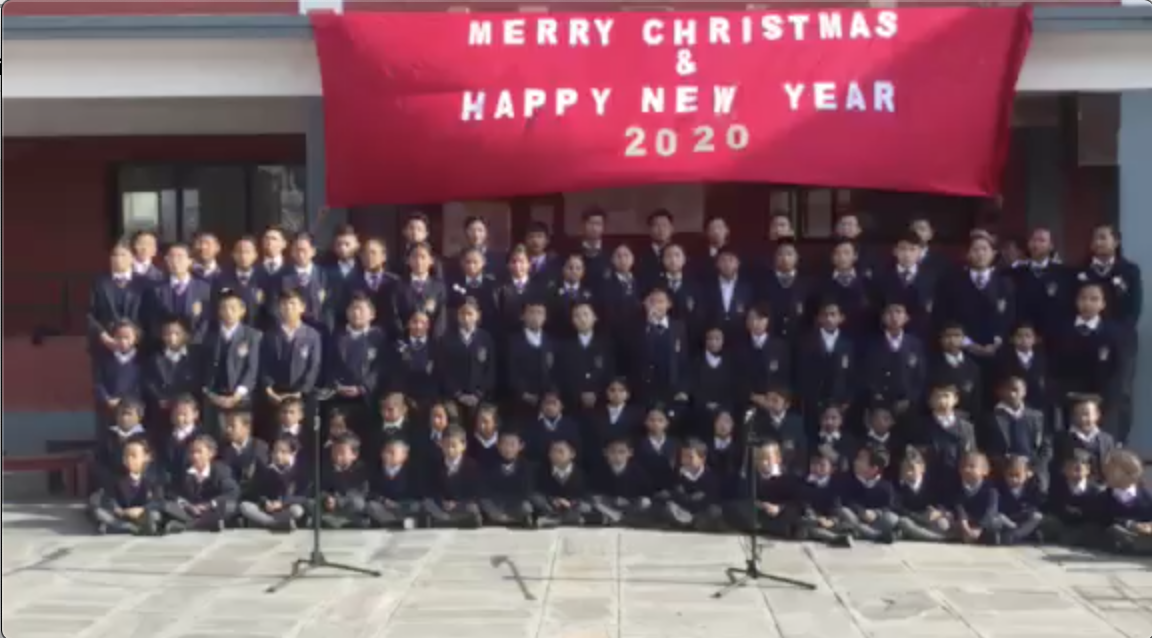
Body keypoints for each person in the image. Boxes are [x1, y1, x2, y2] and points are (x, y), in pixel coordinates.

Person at [1077, 225, 1142, 443]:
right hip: (1087, 338)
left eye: (1103, 238)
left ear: (1116, 242)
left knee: (1119, 392)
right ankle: (1088, 442)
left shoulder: (1129, 271)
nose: (1098, 242)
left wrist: (1114, 333)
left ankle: (1118, 442)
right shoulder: (1082, 272)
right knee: (1088, 389)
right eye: (1095, 238)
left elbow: (1133, 310)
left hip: (1121, 341)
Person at [1052, 284, 1124, 437]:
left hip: (1100, 397)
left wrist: (1106, 396)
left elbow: (1117, 368)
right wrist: (1061, 392)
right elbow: (1054, 365)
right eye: (1083, 298)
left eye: (1094, 299)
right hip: (1070, 395)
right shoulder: (1062, 330)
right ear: (1076, 301)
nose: (1088, 303)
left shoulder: (1113, 333)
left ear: (1103, 304)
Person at [936, 234, 1015, 361]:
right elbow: (945, 317)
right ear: (968, 253)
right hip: (962, 353)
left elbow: (1010, 317)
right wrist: (968, 344)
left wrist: (997, 342)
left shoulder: (1005, 284)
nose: (980, 254)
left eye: (984, 249)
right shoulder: (952, 283)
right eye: (976, 249)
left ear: (993, 253)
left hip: (998, 353)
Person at [259, 289, 322, 437]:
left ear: (302, 307)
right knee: (274, 434)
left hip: (302, 394)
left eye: (293, 304)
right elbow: (263, 364)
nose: (288, 308)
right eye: (284, 304)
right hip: (276, 394)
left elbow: (314, 366)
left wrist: (301, 391)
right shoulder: (270, 334)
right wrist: (269, 390)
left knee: (303, 436)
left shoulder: (312, 335)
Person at [201, 290, 261, 436]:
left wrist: (237, 395)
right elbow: (202, 367)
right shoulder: (209, 336)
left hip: (241, 397)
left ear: (242, 311)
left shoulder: (253, 336)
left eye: (233, 308)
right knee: (214, 437)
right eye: (224, 308)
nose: (228, 312)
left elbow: (252, 369)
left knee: (239, 436)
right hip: (215, 397)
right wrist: (212, 395)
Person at [325, 294, 386, 435]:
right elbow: (328, 363)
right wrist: (336, 385)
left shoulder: (379, 337)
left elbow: (380, 367)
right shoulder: (337, 336)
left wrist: (363, 387)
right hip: (339, 397)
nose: (356, 313)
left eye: (361, 309)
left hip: (367, 399)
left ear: (372, 314)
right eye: (352, 308)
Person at [797, 301, 856, 434]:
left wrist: (847, 400)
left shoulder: (849, 344)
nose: (829, 318)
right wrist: (809, 398)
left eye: (833, 314)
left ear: (841, 318)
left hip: (840, 404)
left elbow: (852, 375)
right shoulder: (807, 342)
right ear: (819, 318)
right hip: (813, 404)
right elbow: (801, 374)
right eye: (825, 315)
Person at [161, 435, 240, 533]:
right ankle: (200, 524)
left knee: (229, 506)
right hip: (190, 511)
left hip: (212, 510)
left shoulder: (221, 470)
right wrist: (187, 505)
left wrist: (209, 504)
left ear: (211, 453)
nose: (195, 456)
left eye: (199, 452)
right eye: (192, 452)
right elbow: (171, 493)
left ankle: (187, 526)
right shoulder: (184, 472)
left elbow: (232, 491)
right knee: (167, 505)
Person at [862, 302, 926, 423]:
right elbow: (866, 375)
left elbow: (920, 377)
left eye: (898, 312)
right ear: (883, 318)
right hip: (879, 406)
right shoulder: (872, 345)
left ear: (906, 317)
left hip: (908, 407)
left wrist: (910, 399)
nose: (894, 316)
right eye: (889, 312)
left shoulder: (916, 345)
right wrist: (879, 401)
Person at [986, 377, 1052, 491]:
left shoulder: (1037, 417)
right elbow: (985, 447)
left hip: (1032, 472)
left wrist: (1032, 469)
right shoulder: (990, 418)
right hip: (1001, 473)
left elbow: (1046, 447)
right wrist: (1006, 466)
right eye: (1007, 390)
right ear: (1000, 392)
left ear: (1024, 392)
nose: (1012, 394)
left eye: (1016, 390)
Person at [89, 437, 165, 535]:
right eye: (126, 456)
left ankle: (138, 526)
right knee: (99, 510)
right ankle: (129, 527)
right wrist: (119, 510)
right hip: (122, 514)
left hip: (143, 513)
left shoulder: (154, 478)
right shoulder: (116, 478)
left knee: (155, 515)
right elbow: (110, 497)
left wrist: (142, 509)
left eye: (133, 456)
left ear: (147, 457)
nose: (129, 459)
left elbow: (159, 501)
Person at [438, 299, 497, 424]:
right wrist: (459, 394)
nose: (466, 318)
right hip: (453, 396)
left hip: (479, 396)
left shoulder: (486, 338)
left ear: (478, 315)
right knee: (454, 422)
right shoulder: (447, 339)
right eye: (462, 314)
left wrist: (479, 394)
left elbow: (490, 369)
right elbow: (443, 370)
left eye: (470, 314)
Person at [629, 288, 690, 409]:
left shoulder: (679, 327)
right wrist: (650, 325)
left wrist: (683, 388)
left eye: (661, 301)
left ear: (669, 304)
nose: (656, 305)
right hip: (646, 389)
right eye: (652, 301)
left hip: (672, 388)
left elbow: (683, 360)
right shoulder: (637, 327)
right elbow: (635, 355)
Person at [1012, 228, 1073, 341]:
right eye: (1033, 240)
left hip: (1056, 337)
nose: (1036, 244)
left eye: (1041, 240)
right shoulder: (1015, 273)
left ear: (1051, 246)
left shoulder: (1064, 274)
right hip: (1024, 339)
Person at [144, 243, 212, 345]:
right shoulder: (155, 289)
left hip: (196, 345)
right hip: (164, 345)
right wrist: (166, 340)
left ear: (190, 261)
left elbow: (206, 320)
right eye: (171, 257)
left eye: (180, 257)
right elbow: (153, 321)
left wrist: (193, 341)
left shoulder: (204, 288)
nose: (175, 261)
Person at [87, 243, 146, 359]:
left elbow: (150, 315)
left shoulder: (144, 283)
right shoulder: (99, 283)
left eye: (123, 255)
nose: (118, 258)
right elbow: (90, 314)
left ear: (132, 258)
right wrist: (104, 337)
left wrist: (135, 337)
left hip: (139, 348)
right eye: (114, 255)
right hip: (105, 346)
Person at [558, 302, 615, 423]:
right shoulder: (564, 346)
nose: (582, 319)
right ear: (572, 320)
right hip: (572, 406)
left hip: (601, 404)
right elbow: (562, 375)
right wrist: (579, 394)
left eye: (586, 314)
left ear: (595, 317)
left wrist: (596, 393)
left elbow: (610, 372)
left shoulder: (606, 345)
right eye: (577, 316)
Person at [727, 441, 797, 539]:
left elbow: (794, 501)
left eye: (768, 459)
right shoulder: (751, 477)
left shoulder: (788, 477)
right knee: (733, 507)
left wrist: (779, 508)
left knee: (792, 514)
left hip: (778, 513)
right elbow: (744, 496)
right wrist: (761, 505)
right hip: (758, 511)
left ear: (778, 459)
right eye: (760, 459)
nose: (764, 463)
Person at [239, 436, 309, 532]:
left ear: (293, 453)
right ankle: (274, 524)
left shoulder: (300, 470)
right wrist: (265, 502)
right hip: (268, 509)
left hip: (286, 508)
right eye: (275, 452)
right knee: (245, 506)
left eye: (283, 452)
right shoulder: (266, 469)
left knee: (297, 510)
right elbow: (256, 492)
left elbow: (303, 497)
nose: (278, 456)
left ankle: (272, 523)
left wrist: (282, 503)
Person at [873, 232, 935, 339]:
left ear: (920, 252)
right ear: (895, 251)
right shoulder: (880, 277)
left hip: (922, 335)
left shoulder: (931, 279)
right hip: (888, 335)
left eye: (912, 249)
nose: (907, 254)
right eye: (903, 249)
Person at [143, 319, 200, 433]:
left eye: (177, 333)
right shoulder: (155, 359)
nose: (172, 338)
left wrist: (182, 401)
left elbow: (198, 382)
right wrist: (159, 398)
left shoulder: (194, 357)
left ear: (185, 335)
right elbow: (149, 382)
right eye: (167, 334)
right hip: (161, 409)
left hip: (186, 410)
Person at [505, 298, 557, 421]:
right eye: (531, 312)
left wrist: (551, 394)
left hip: (547, 402)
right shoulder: (512, 342)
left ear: (545, 317)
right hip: (519, 402)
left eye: (540, 313)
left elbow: (556, 371)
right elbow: (509, 370)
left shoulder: (551, 342)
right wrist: (523, 393)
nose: (536, 317)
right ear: (522, 316)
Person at [424, 425, 483, 528]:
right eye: (446, 445)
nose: (450, 450)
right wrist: (443, 502)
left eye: (454, 446)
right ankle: (447, 520)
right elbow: (432, 490)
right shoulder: (435, 465)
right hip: (443, 507)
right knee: (427, 504)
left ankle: (446, 522)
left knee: (472, 509)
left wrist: (457, 503)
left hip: (462, 506)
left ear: (463, 445)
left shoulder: (472, 466)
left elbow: (476, 493)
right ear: (440, 444)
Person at [837, 445, 899, 543]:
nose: (855, 462)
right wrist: (862, 512)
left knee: (892, 517)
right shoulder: (846, 480)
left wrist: (876, 513)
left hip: (875, 521)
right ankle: (876, 536)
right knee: (844, 512)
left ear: (873, 468)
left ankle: (863, 534)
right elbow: (845, 501)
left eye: (861, 460)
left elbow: (890, 506)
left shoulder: (886, 486)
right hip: (856, 518)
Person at [1041, 451, 1103, 547]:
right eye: (1070, 468)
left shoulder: (1095, 490)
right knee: (1049, 521)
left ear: (1088, 470)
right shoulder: (1057, 487)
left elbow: (1096, 513)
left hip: (1084, 525)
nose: (1074, 472)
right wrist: (1066, 510)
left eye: (1078, 469)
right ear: (1063, 470)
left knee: (1093, 528)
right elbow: (1052, 506)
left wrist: (1081, 512)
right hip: (1063, 523)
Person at [740, 307, 793, 417]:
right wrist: (754, 396)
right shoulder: (739, 348)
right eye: (751, 318)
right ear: (746, 322)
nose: (755, 322)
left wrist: (777, 397)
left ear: (767, 321)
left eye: (760, 318)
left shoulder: (780, 346)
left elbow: (786, 376)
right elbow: (737, 378)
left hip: (776, 403)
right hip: (748, 404)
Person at [663, 439, 725, 531]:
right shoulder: (677, 475)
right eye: (684, 457)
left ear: (702, 459)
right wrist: (684, 497)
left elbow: (713, 498)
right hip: (684, 510)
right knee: (669, 507)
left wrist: (700, 498)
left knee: (715, 511)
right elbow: (674, 495)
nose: (686, 460)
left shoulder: (711, 477)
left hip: (702, 512)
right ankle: (685, 523)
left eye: (690, 457)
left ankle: (695, 524)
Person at [795, 448, 852, 547]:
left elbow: (836, 506)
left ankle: (845, 534)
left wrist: (831, 520)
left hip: (828, 519)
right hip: (811, 519)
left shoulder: (834, 485)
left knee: (846, 520)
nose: (817, 468)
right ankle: (835, 538)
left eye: (822, 465)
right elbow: (804, 505)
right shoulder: (804, 483)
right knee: (806, 525)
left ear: (832, 469)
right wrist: (817, 519)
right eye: (814, 464)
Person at [1099, 449, 1152, 556]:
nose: (1106, 474)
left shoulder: (1147, 496)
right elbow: (1103, 520)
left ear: (1131, 474)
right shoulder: (1103, 497)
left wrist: (1148, 526)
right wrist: (1131, 524)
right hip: (1119, 537)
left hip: (1143, 534)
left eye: (1111, 471)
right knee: (1115, 531)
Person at [386, 311, 439, 418]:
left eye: (422, 323)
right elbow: (393, 372)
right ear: (408, 324)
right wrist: (401, 396)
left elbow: (440, 374)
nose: (418, 326)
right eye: (414, 322)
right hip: (403, 396)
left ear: (428, 325)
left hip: (429, 397)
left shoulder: (437, 346)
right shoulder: (398, 346)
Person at [919, 385, 978, 480]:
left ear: (955, 399)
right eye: (937, 396)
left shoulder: (966, 428)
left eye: (946, 396)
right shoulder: (922, 427)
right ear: (930, 401)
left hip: (959, 479)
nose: (942, 400)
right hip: (931, 480)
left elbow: (971, 455)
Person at [818, 239, 873, 340]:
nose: (842, 257)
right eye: (837, 253)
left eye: (846, 253)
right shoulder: (821, 283)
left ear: (855, 256)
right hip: (831, 340)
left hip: (863, 338)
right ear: (832, 257)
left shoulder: (868, 283)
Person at [592, 439, 654, 527]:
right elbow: (594, 493)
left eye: (622, 452)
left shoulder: (639, 472)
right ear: (605, 453)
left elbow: (647, 494)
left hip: (630, 505)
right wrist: (612, 500)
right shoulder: (598, 471)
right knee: (594, 501)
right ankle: (613, 517)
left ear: (630, 453)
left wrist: (629, 501)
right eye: (612, 452)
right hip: (608, 505)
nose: (617, 456)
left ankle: (624, 519)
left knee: (645, 502)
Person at [929, 323, 984, 423]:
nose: (952, 340)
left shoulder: (973, 367)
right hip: (937, 420)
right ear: (941, 339)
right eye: (947, 336)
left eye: (957, 336)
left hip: (966, 420)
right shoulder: (930, 364)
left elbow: (976, 399)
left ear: (964, 339)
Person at [479, 430, 536, 528]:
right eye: (504, 444)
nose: (508, 449)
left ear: (521, 446)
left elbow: (526, 491)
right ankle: (500, 518)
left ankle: (506, 519)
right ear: (498, 446)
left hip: (516, 503)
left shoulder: (527, 466)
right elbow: (484, 489)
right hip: (496, 502)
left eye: (512, 444)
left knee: (526, 507)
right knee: (484, 502)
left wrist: (510, 501)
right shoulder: (488, 464)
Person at [1054, 396, 1117, 481]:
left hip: (1101, 487)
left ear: (1097, 415)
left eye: (1086, 414)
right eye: (1077, 414)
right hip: (1071, 487)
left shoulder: (1107, 440)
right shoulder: (1061, 439)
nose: (1082, 419)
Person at [391, 242, 447, 338]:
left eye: (423, 257)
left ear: (431, 260)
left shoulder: (439, 287)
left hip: (431, 340)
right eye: (414, 257)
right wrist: (404, 335)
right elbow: (394, 314)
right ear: (408, 260)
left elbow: (441, 317)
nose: (419, 261)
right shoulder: (397, 286)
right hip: (404, 338)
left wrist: (435, 340)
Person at [532, 440, 593, 527]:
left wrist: (570, 503)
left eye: (561, 451)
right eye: (553, 451)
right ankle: (556, 518)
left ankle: (559, 518)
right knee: (536, 499)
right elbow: (538, 492)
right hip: (550, 506)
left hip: (573, 507)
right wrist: (553, 500)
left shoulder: (582, 475)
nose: (556, 455)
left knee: (586, 506)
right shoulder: (541, 472)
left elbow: (587, 497)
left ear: (572, 454)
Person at [93, 319, 143, 427]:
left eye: (127, 337)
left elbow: (140, 386)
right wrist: (106, 399)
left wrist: (124, 401)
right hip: (107, 408)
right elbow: (98, 381)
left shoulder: (140, 360)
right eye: (119, 337)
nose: (123, 341)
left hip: (131, 409)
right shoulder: (105, 359)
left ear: (136, 338)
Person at [894, 448, 951, 542]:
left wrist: (939, 513)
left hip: (930, 519)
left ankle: (916, 534)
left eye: (911, 468)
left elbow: (944, 505)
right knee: (903, 522)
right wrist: (919, 518)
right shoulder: (898, 487)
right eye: (905, 468)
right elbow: (899, 508)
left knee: (943, 524)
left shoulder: (932, 484)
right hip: (912, 518)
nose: (908, 472)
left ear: (922, 468)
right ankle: (935, 538)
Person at [761, 239, 812, 342]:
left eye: (789, 254)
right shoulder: (764, 283)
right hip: (771, 339)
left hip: (800, 339)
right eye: (780, 254)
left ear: (797, 257)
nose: (785, 258)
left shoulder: (808, 283)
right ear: (774, 257)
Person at [944, 451, 999, 545]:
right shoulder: (956, 486)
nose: (966, 469)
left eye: (972, 466)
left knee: (996, 522)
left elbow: (991, 510)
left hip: (982, 522)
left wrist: (979, 528)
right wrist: (965, 525)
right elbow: (958, 506)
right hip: (963, 522)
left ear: (985, 471)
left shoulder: (991, 490)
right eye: (963, 466)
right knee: (945, 522)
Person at [365, 439, 422, 530]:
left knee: (416, 506)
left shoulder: (413, 471)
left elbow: (418, 492)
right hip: (384, 505)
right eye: (385, 452)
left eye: (392, 452)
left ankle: (397, 522)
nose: (387, 455)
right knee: (371, 506)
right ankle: (395, 523)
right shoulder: (374, 469)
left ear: (404, 456)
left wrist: (399, 503)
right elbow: (369, 491)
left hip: (404, 504)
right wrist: (384, 500)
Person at [690, 327, 736, 438]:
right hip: (701, 411)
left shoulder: (731, 361)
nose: (713, 342)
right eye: (710, 339)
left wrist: (723, 408)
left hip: (725, 410)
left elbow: (733, 388)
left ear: (723, 341)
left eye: (717, 339)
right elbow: (693, 387)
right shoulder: (695, 361)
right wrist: (705, 404)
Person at [317, 432, 369, 529]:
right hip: (331, 505)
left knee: (358, 503)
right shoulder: (326, 467)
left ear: (354, 455)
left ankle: (339, 520)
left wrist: (338, 500)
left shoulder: (360, 469)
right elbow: (322, 487)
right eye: (334, 451)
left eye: (342, 452)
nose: (337, 456)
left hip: (349, 503)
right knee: (312, 502)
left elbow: (361, 492)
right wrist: (327, 498)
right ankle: (335, 520)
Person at [703, 248, 754, 345]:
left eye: (731, 260)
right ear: (717, 264)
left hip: (740, 337)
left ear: (738, 263)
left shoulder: (748, 287)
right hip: (714, 339)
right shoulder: (707, 286)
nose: (727, 264)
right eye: (723, 260)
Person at [754, 389, 807, 477]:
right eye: (767, 400)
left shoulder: (796, 422)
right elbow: (756, 449)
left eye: (775, 400)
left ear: (786, 404)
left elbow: (801, 449)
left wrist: (796, 470)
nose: (770, 404)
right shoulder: (758, 422)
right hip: (766, 474)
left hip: (791, 474)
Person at [994, 455, 1045, 545]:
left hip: (1024, 518)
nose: (1014, 479)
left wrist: (1025, 513)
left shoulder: (1032, 488)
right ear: (1004, 474)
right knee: (997, 518)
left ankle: (1016, 536)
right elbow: (998, 508)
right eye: (1010, 475)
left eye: (1017, 475)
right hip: (1007, 519)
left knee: (1037, 517)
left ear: (1027, 474)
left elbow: (1034, 506)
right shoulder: (999, 488)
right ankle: (1012, 535)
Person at [95, 400, 148, 485]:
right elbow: (99, 463)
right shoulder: (107, 436)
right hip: (112, 484)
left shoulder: (147, 438)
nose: (124, 418)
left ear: (139, 417)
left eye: (128, 414)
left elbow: (151, 466)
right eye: (121, 414)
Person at [447, 248, 499, 334]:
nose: (471, 266)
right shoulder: (453, 284)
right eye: (468, 262)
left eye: (475, 262)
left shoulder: (493, 285)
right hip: (460, 331)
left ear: (483, 262)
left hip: (488, 331)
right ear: (462, 263)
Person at [218, 411, 269, 497]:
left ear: (247, 428)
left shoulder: (259, 447)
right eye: (227, 426)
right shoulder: (222, 448)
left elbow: (260, 476)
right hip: (229, 494)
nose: (228, 430)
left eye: (232, 426)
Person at [657, 244, 703, 340]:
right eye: (668, 256)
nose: (673, 260)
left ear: (684, 259)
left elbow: (700, 313)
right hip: (662, 336)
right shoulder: (656, 284)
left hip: (690, 336)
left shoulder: (695, 284)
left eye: (677, 255)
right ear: (662, 260)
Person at [523, 391, 581, 465]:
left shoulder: (572, 425)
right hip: (538, 467)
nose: (550, 406)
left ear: (562, 406)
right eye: (546, 403)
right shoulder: (531, 425)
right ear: (541, 406)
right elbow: (528, 453)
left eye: (554, 403)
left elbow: (577, 450)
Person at [548, 254, 596, 340]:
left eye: (578, 268)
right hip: (557, 338)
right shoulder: (552, 291)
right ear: (563, 269)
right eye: (570, 267)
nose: (574, 271)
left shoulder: (590, 293)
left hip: (580, 339)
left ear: (583, 271)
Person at [633, 405, 679, 496]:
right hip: (643, 491)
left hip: (670, 492)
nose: (656, 423)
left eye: (660, 420)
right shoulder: (637, 444)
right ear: (645, 422)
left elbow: (678, 470)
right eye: (651, 420)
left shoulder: (676, 444)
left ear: (667, 423)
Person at [158, 394, 204, 482]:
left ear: (196, 414)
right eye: (176, 413)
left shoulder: (202, 437)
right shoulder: (163, 436)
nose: (180, 418)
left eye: (184, 414)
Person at [635, 209, 674, 291]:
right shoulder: (638, 254)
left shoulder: (680, 253)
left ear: (672, 229)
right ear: (649, 229)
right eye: (656, 225)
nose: (661, 229)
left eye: (664, 225)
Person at [812, 406, 858, 473]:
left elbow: (850, 466)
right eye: (825, 418)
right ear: (820, 420)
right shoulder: (812, 439)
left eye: (834, 418)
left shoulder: (849, 440)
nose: (829, 422)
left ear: (841, 420)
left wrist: (835, 457)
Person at [467, 404, 503, 471]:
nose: (481, 425)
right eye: (479, 421)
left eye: (486, 422)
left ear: (495, 423)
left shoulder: (503, 442)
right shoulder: (468, 442)